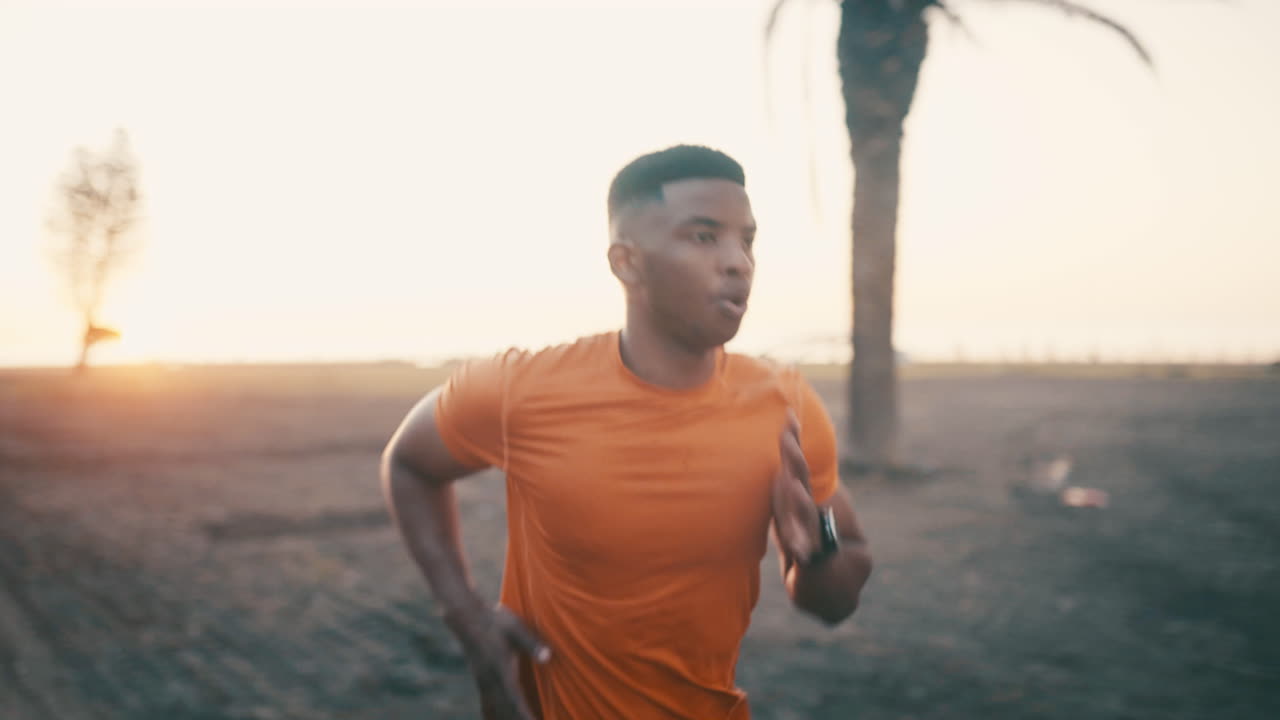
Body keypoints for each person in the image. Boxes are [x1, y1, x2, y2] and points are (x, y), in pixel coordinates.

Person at [381, 145, 872, 720]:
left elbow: (833, 604)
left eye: (748, 239)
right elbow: (410, 464)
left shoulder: (782, 406)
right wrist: (466, 618)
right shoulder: (524, 390)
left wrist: (816, 550)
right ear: (627, 263)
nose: (738, 261)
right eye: (704, 236)